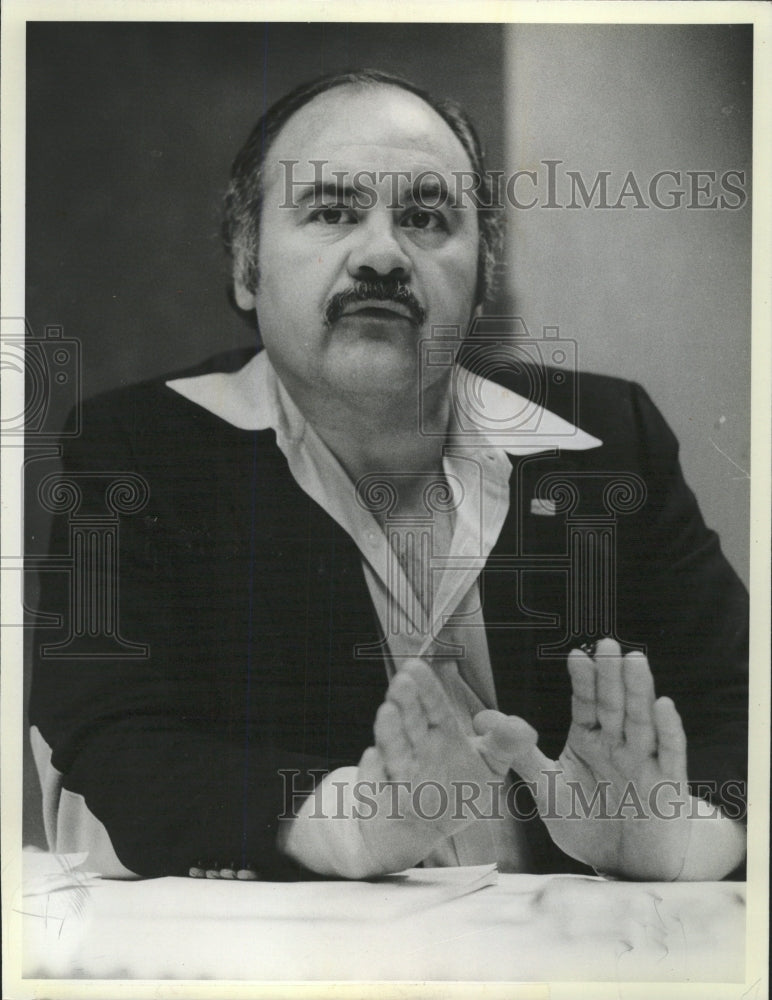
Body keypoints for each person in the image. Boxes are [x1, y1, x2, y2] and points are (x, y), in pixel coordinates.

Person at [29, 70, 748, 881]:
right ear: (246, 267)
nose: (381, 255)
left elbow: (744, 701)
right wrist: (353, 824)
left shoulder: (609, 442)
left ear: (481, 286)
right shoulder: (141, 453)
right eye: (332, 211)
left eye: (426, 218)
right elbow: (113, 735)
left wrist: (680, 836)